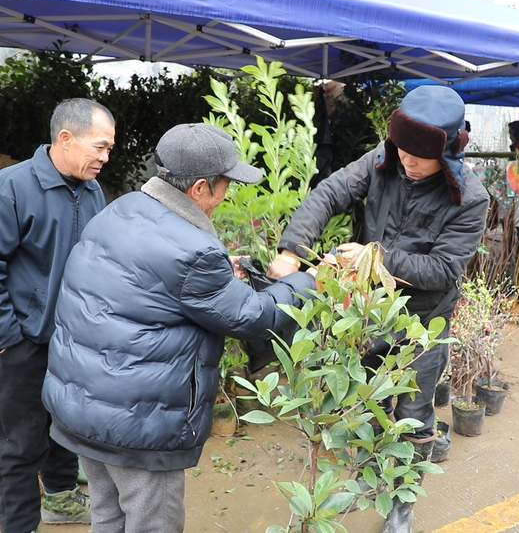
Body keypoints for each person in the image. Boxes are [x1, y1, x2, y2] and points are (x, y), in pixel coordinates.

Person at [41, 123, 316, 533]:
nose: (225, 196)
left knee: (108, 517)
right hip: (139, 426)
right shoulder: (194, 250)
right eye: (225, 185)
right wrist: (311, 281)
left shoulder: (122, 207)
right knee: (153, 525)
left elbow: (154, 283)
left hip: (82, 409)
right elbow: (253, 317)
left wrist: (223, 274)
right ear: (201, 188)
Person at [268, 85, 489, 533]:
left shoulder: (470, 197)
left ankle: (401, 506)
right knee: (360, 400)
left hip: (423, 321)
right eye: (402, 150)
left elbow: (443, 270)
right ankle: (365, 479)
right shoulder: (382, 159)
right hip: (369, 310)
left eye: (419, 156)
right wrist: (293, 250)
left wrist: (377, 257)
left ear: (446, 154)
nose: (407, 161)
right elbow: (330, 193)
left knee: (411, 413)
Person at [0, 97, 114, 532]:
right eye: (99, 147)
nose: (104, 157)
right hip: (25, 344)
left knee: (66, 430)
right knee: (20, 445)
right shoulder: (10, 188)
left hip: (75, 342)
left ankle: (61, 501)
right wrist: (7, 336)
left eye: (108, 149)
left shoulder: (91, 188)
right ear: (65, 138)